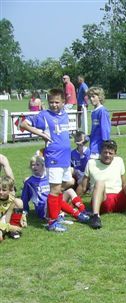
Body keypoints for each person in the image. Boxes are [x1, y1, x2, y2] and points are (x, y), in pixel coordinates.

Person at [20, 88, 89, 232]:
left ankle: (59, 215)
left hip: (65, 158)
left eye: (57, 102)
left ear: (63, 102)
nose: (54, 105)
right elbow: (23, 124)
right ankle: (52, 222)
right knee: (55, 190)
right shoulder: (44, 115)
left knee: (66, 185)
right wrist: (40, 133)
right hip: (53, 158)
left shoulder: (64, 114)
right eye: (51, 102)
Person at [22, 153, 88, 224]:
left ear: (43, 166)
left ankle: (83, 211)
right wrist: (25, 211)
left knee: (70, 191)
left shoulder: (49, 177)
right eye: (32, 165)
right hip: (43, 209)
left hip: (54, 203)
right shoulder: (29, 182)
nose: (34, 167)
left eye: (37, 165)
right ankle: (76, 214)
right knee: (50, 198)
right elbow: (24, 198)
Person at [87, 86, 111, 157]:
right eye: (90, 97)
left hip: (100, 147)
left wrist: (105, 147)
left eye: (93, 96)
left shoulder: (102, 111)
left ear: (99, 97)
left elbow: (105, 130)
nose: (91, 99)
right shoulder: (94, 112)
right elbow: (95, 130)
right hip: (93, 145)